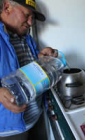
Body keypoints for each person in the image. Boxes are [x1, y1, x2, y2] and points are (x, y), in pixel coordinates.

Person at [0, 0, 57, 139]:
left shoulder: (26, 38)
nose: (31, 22)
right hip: (10, 131)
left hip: (36, 118)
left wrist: (42, 59)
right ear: (7, 7)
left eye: (32, 18)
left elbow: (29, 75)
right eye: (27, 15)